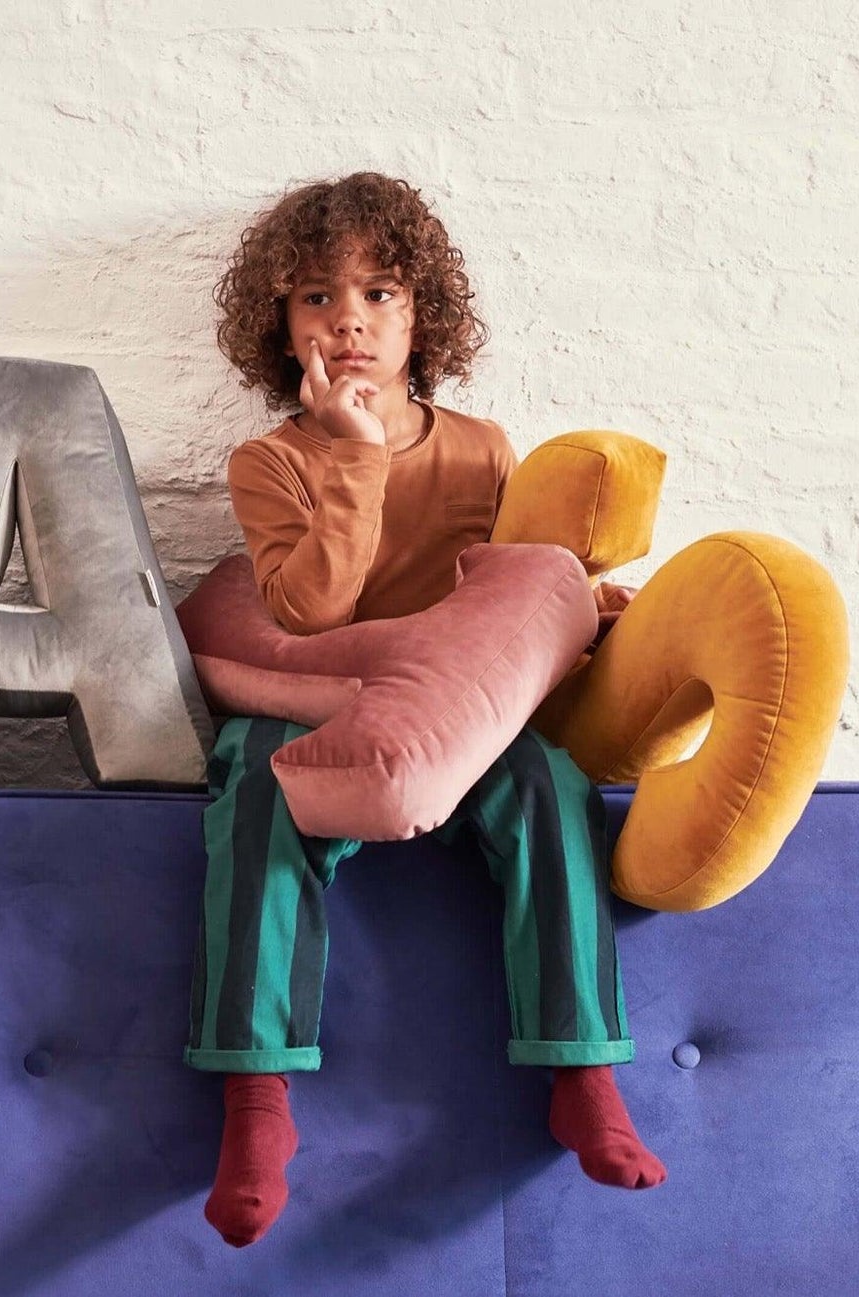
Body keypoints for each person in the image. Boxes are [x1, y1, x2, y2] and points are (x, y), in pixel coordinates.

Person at [189, 173, 660, 1248]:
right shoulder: (271, 460)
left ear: (422, 317)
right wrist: (350, 457)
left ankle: (580, 1071)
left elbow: (496, 600)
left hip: (448, 718)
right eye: (314, 297)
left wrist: (584, 608)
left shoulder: (484, 449)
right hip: (319, 693)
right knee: (249, 779)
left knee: (549, 781)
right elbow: (308, 609)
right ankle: (255, 1102)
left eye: (379, 293)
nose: (346, 318)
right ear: (279, 325)